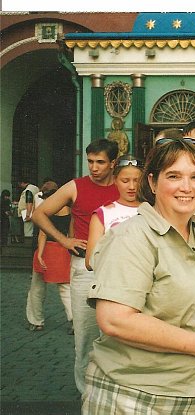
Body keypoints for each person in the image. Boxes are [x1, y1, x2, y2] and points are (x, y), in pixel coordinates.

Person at [82, 139, 195, 414]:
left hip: (189, 394)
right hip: (132, 394)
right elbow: (115, 319)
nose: (186, 187)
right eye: (174, 176)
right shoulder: (133, 236)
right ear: (152, 182)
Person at [32, 138, 119, 394]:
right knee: (84, 336)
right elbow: (39, 214)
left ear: (113, 163)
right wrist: (64, 240)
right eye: (90, 161)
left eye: (100, 162)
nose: (94, 167)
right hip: (84, 267)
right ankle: (85, 395)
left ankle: (111, 395)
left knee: (116, 335)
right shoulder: (76, 186)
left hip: (117, 268)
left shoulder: (125, 186)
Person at [26, 181, 73, 333]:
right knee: (66, 289)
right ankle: (74, 320)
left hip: (47, 250)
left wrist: (39, 254)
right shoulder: (69, 210)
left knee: (37, 288)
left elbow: (43, 234)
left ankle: (36, 321)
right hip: (63, 250)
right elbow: (71, 233)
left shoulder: (46, 209)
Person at [85, 154, 144, 271]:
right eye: (125, 181)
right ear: (115, 180)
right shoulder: (103, 213)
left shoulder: (154, 211)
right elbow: (90, 262)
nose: (132, 186)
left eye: (137, 181)